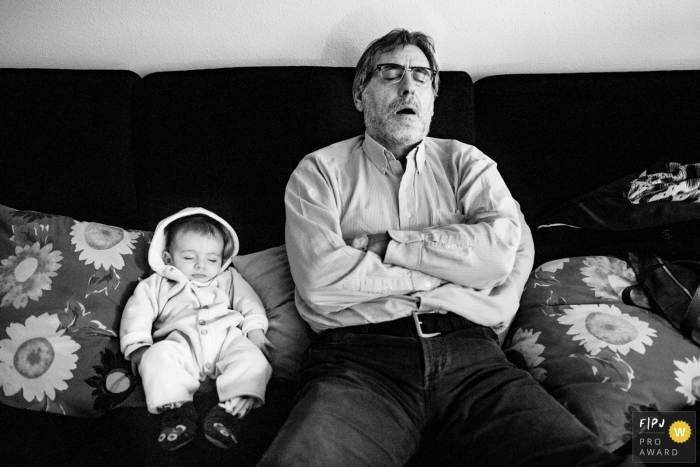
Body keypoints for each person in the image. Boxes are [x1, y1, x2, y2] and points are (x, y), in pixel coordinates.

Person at [257, 29, 631, 466]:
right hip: (359, 362)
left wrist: (385, 247)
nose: (408, 85)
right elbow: (320, 282)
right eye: (390, 72)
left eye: (421, 76)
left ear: (433, 98)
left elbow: (497, 257)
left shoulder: (467, 162)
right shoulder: (318, 171)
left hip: (474, 359)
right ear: (360, 93)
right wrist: (455, 265)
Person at [120, 207, 273, 451]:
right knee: (156, 358)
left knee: (255, 362)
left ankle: (228, 414)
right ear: (169, 258)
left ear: (222, 260)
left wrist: (255, 330)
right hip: (181, 344)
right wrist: (138, 345)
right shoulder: (159, 283)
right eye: (190, 258)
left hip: (227, 341)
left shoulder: (228, 278)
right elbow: (137, 310)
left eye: (212, 259)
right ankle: (179, 413)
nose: (201, 266)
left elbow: (249, 302)